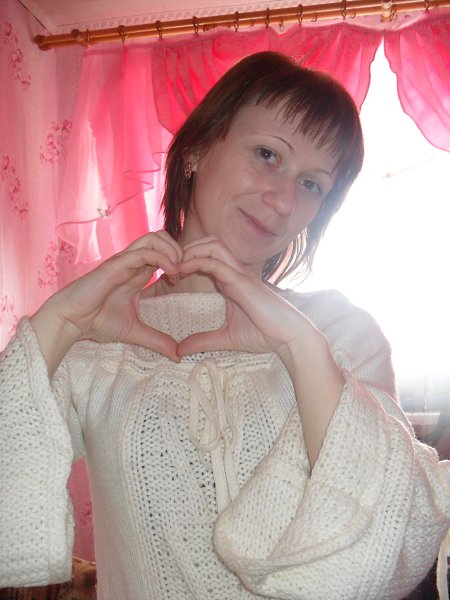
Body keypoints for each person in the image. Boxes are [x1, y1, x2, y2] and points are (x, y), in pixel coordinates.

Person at [0, 51, 448, 600]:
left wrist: (300, 349)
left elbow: (400, 532)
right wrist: (58, 325)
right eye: (268, 155)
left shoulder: (338, 332)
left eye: (312, 184)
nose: (282, 200)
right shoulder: (96, 337)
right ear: (195, 150)